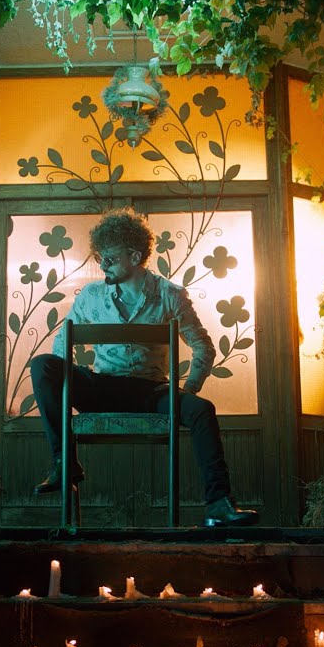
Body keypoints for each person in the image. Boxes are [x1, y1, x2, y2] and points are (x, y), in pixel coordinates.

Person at [29, 208, 259, 527]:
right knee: (42, 365)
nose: (102, 265)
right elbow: (61, 341)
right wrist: (67, 384)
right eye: (100, 258)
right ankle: (63, 461)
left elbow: (203, 347)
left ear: (135, 256)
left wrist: (187, 390)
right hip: (101, 388)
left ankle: (219, 504)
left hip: (151, 391)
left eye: (110, 258)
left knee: (202, 409)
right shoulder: (91, 296)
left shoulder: (170, 295)